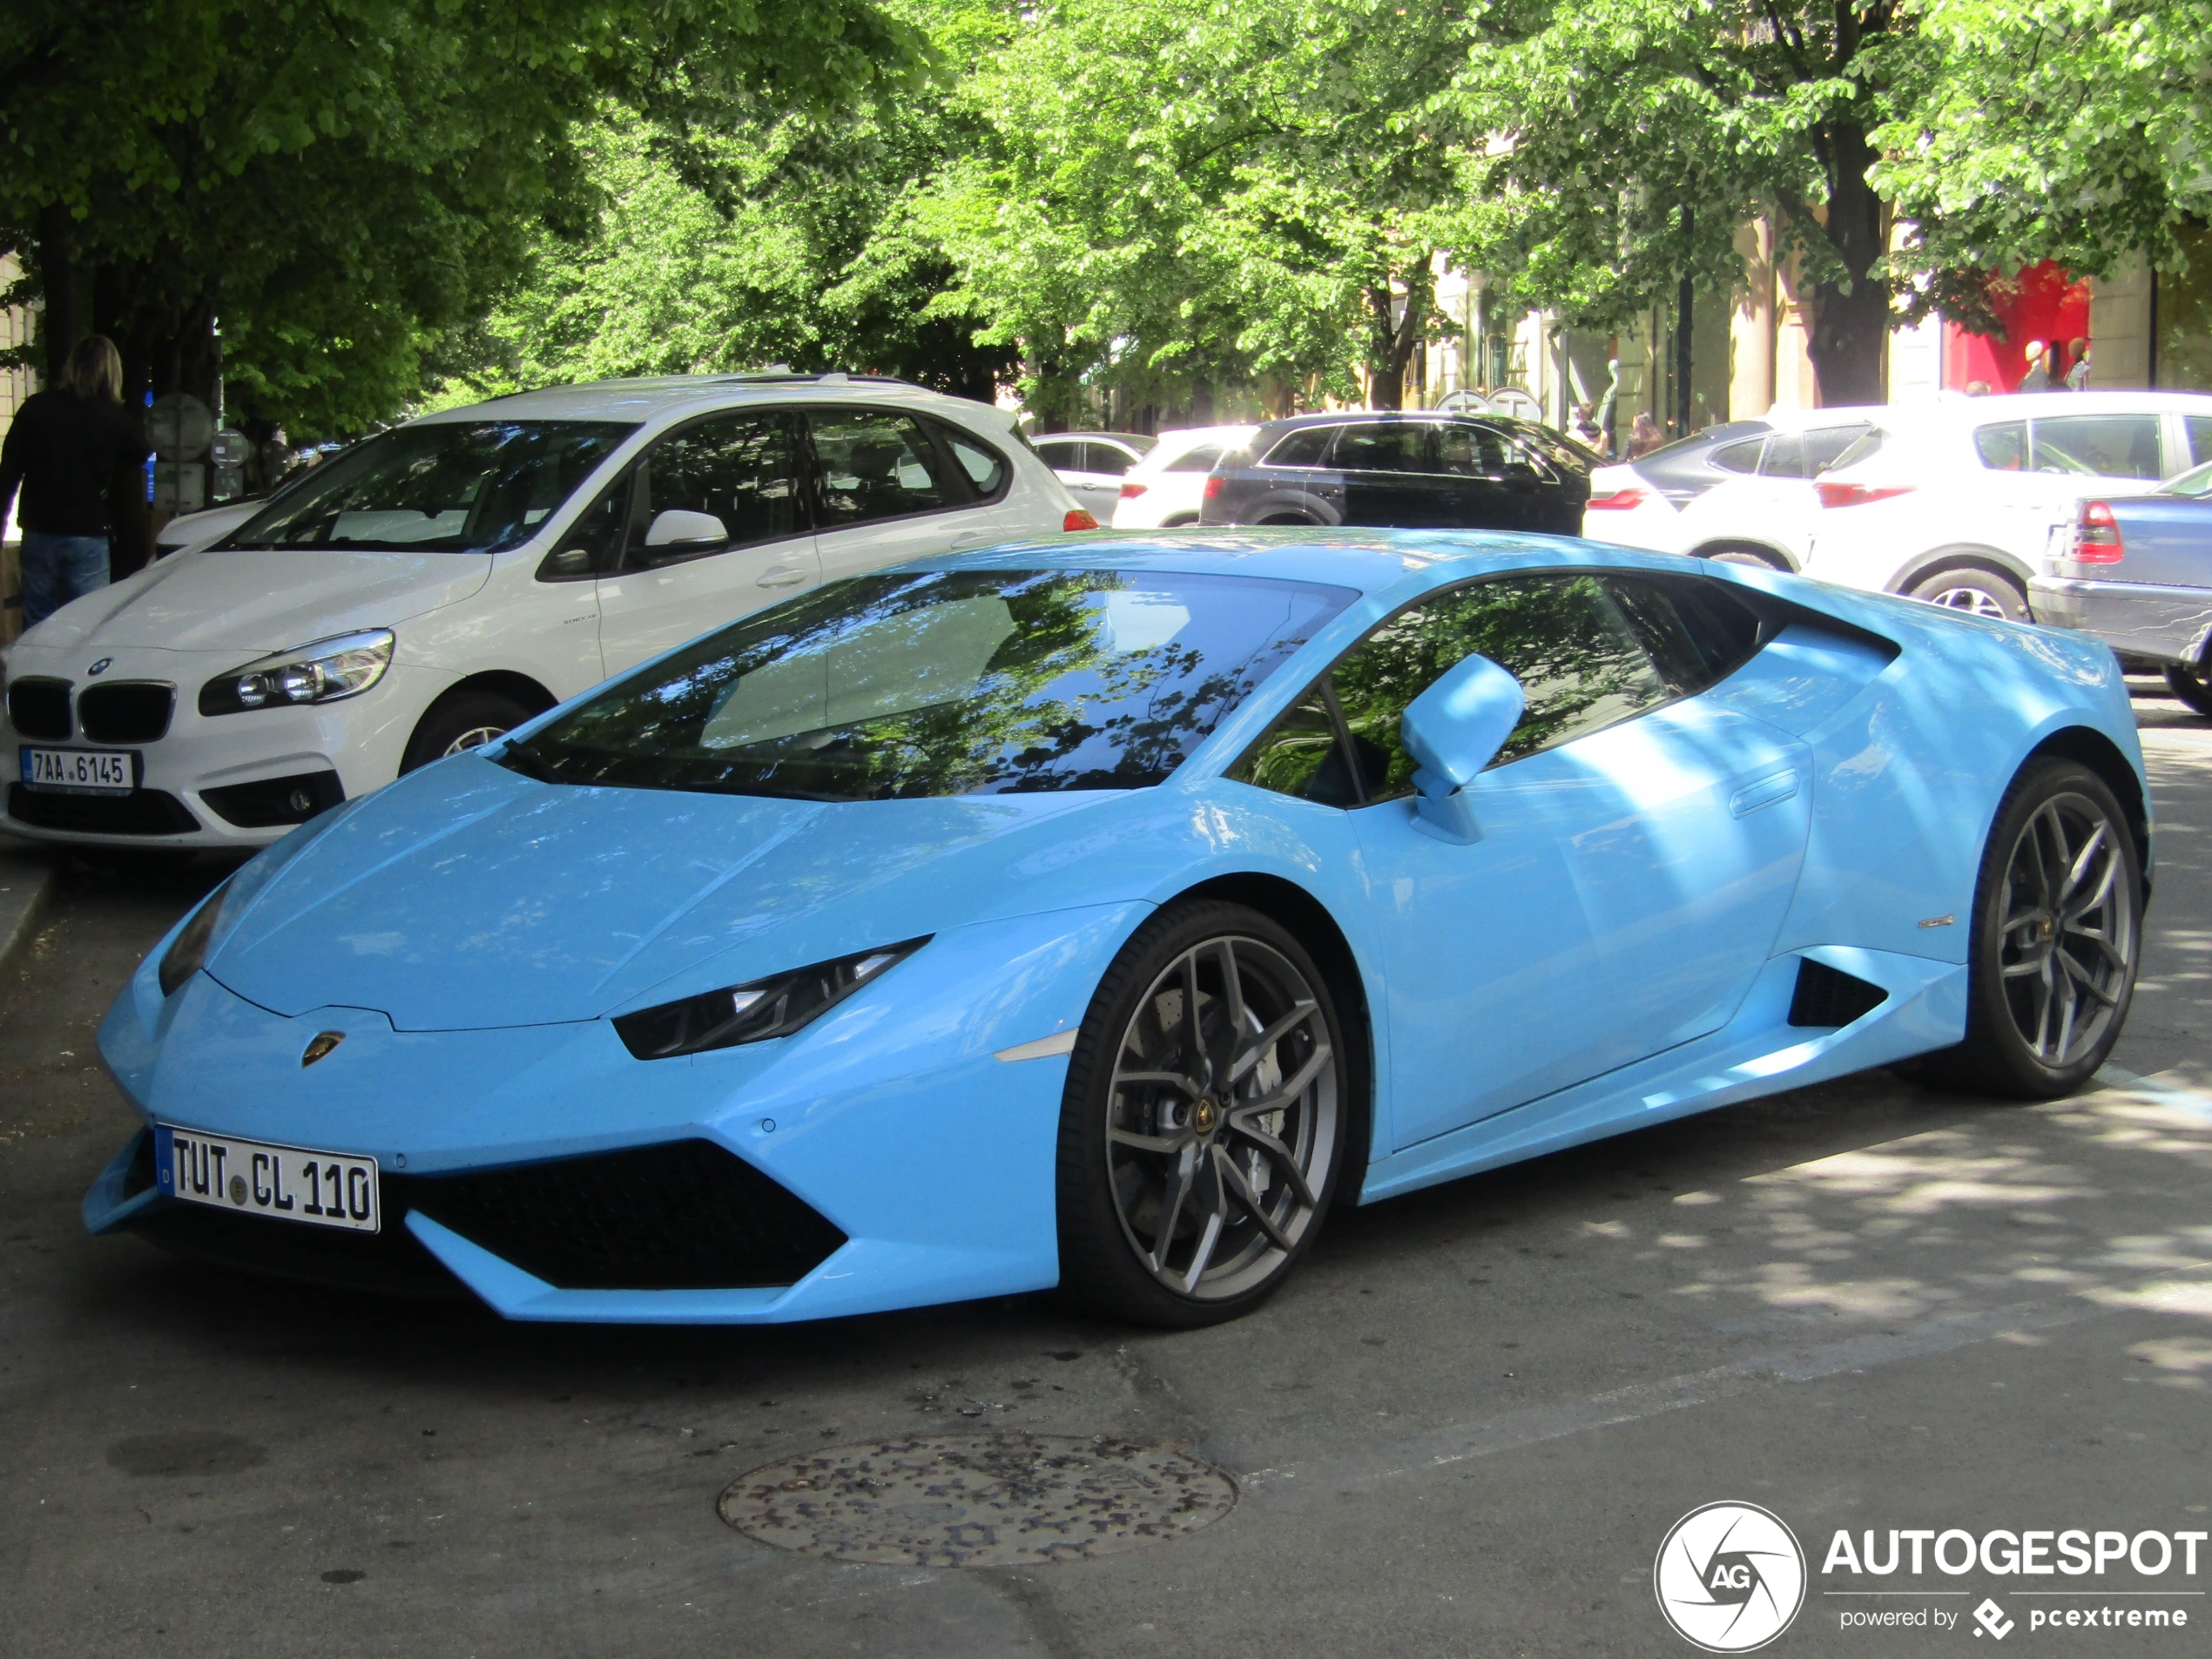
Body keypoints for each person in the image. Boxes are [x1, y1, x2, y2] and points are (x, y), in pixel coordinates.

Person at [0, 335, 149, 627]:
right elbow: (140, 452)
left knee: (38, 618)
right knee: (86, 622)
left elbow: (8, 473)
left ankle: (37, 668)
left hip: (40, 529)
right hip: (87, 532)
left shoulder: (36, 409)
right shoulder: (113, 418)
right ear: (111, 372)